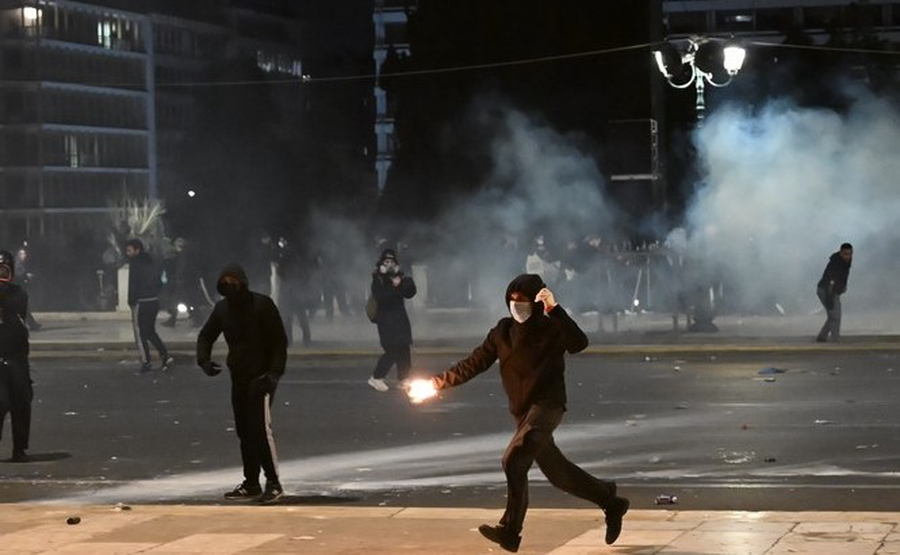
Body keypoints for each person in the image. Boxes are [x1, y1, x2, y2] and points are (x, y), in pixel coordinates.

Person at [425, 274, 629, 552]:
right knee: (559, 474)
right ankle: (610, 501)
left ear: (535, 302)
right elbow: (473, 363)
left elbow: (579, 343)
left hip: (548, 406)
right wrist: (436, 383)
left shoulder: (551, 328)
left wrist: (554, 309)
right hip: (523, 414)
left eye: (523, 302)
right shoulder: (502, 331)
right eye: (512, 301)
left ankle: (510, 531)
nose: (516, 306)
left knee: (513, 459)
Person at [196, 263, 287, 504]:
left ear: (243, 282)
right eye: (224, 283)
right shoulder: (222, 309)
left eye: (232, 282)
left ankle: (273, 482)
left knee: (259, 430)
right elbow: (206, 335)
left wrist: (274, 373)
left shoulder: (262, 305)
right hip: (238, 376)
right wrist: (203, 360)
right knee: (244, 431)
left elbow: (279, 342)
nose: (229, 287)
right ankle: (251, 482)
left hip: (262, 376)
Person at [368, 249, 416, 392]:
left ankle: (403, 378)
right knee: (392, 350)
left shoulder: (399, 278)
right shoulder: (378, 279)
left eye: (392, 262)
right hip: (386, 320)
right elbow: (383, 298)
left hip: (400, 319)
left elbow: (410, 293)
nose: (389, 265)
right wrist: (394, 287)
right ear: (381, 264)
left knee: (404, 349)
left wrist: (401, 282)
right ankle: (376, 377)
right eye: (386, 262)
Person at [0, 250, 33, 462]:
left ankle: (19, 449)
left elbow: (14, 307)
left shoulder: (19, 293)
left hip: (16, 357)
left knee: (22, 404)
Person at [125, 239, 173, 373]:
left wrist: (131, 301)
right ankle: (165, 355)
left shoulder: (135, 263)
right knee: (150, 331)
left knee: (140, 333)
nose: (127, 253)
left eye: (129, 250)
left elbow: (133, 283)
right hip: (153, 300)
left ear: (137, 250)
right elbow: (160, 280)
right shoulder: (153, 261)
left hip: (141, 301)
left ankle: (146, 362)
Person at [816, 242, 853, 343]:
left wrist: (843, 287)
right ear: (840, 253)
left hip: (832, 291)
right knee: (835, 316)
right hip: (827, 290)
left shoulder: (846, 261)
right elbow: (830, 281)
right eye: (845, 254)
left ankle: (822, 337)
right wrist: (829, 297)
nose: (848, 256)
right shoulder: (835, 263)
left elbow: (843, 277)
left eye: (850, 254)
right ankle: (835, 339)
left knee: (833, 315)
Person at [13, 247, 40, 331]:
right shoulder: (18, 264)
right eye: (22, 254)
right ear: (18, 255)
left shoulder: (20, 264)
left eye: (25, 254)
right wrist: (26, 276)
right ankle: (32, 325)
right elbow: (18, 275)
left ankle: (32, 325)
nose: (24, 255)